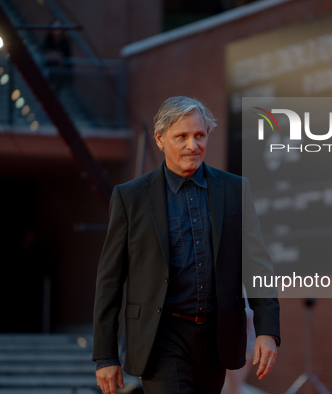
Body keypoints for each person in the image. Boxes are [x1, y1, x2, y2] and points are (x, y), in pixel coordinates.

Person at [92, 96, 280, 394]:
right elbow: (110, 280)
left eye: (199, 135)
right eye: (181, 136)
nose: (193, 145)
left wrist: (267, 330)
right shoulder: (131, 197)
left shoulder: (234, 190)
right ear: (159, 138)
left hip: (216, 338)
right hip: (160, 337)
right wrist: (105, 355)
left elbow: (257, 263)